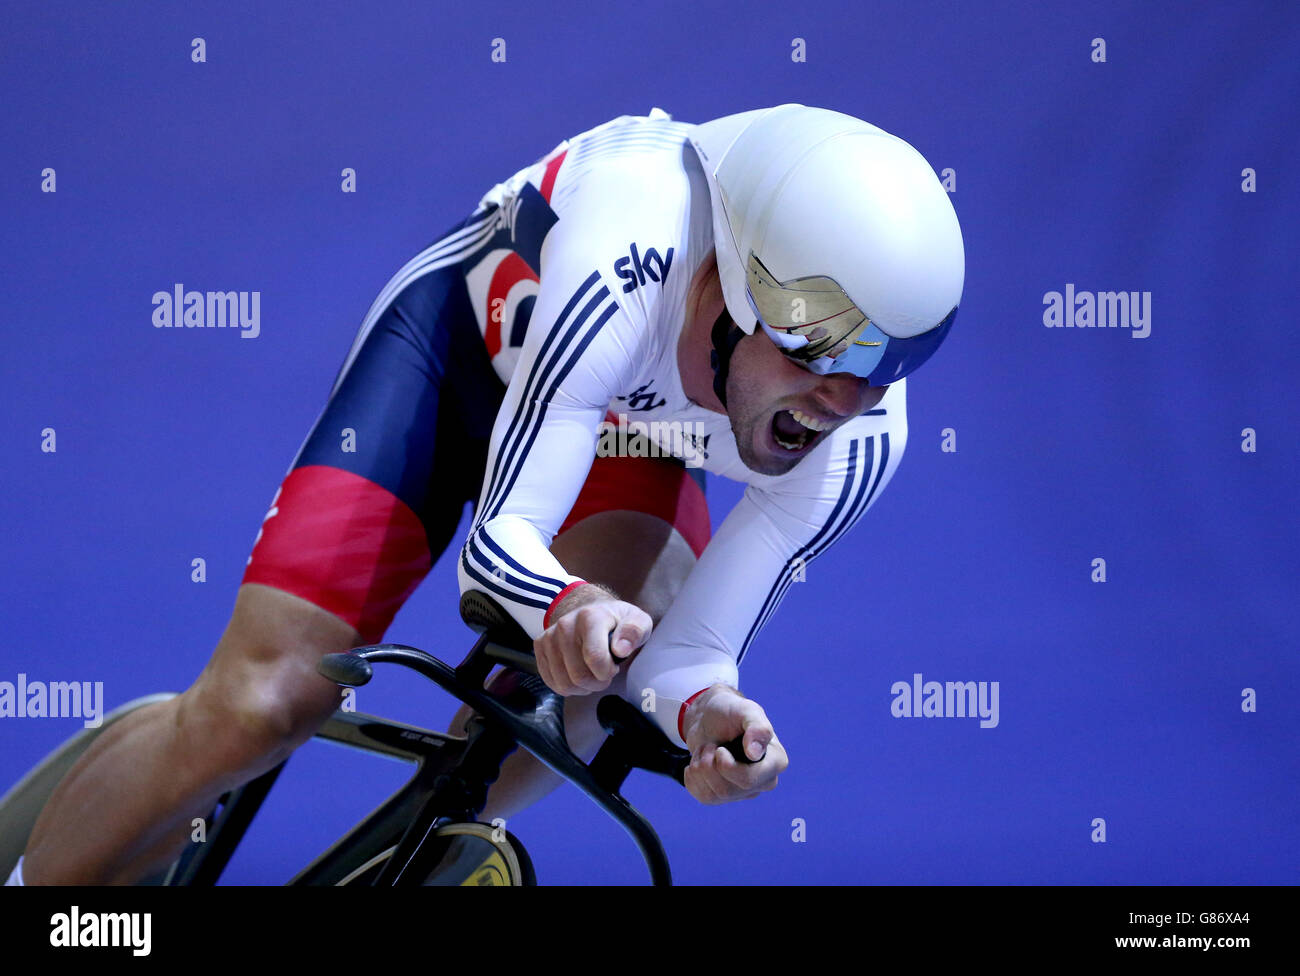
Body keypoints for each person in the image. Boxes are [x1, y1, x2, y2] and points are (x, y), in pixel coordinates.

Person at [11, 103, 963, 885]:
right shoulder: (630, 244)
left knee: (563, 721)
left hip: (620, 430)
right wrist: (568, 602)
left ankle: (392, 863)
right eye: (819, 347)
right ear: (732, 290)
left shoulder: (865, 434)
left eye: (889, 360)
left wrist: (707, 712)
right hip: (457, 355)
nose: (843, 398)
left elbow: (692, 658)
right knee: (261, 707)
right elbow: (504, 540)